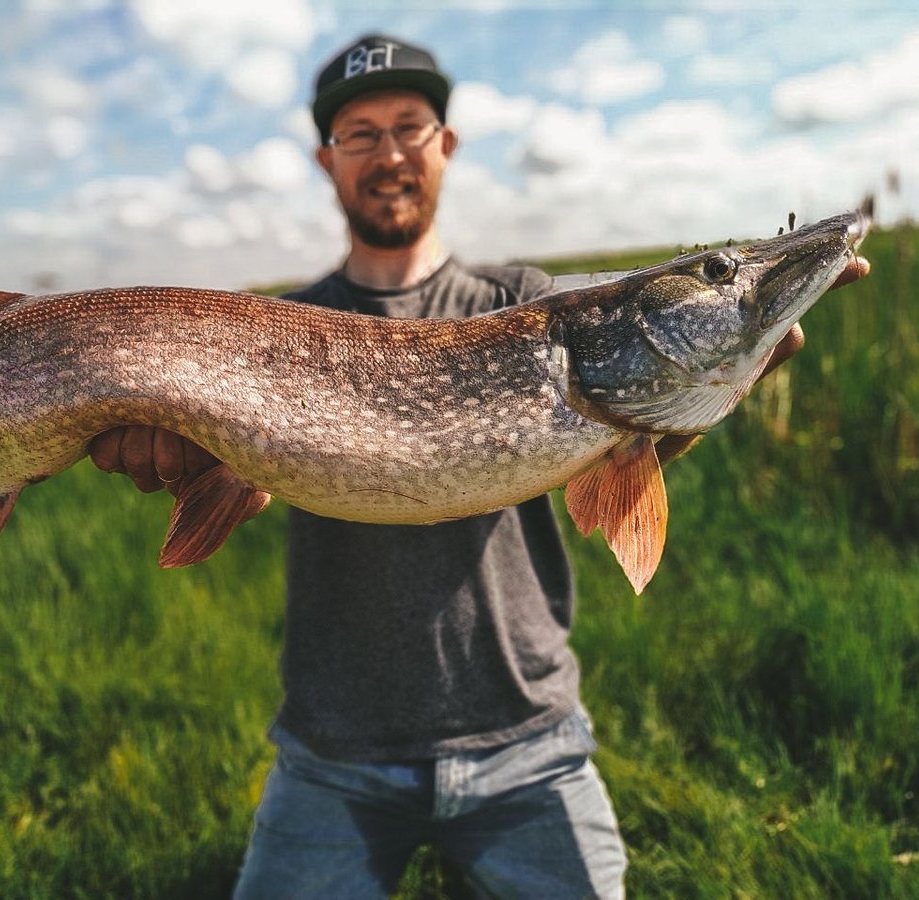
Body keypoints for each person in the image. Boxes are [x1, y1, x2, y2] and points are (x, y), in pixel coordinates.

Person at [89, 34, 870, 899]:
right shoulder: (284, 324)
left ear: (445, 146)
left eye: (410, 128)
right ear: (328, 160)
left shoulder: (524, 302)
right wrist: (184, 458)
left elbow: (644, 438)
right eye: (361, 134)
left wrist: (685, 410)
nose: (389, 154)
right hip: (331, 750)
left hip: (527, 740)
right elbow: (243, 477)